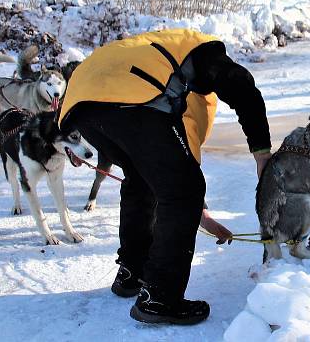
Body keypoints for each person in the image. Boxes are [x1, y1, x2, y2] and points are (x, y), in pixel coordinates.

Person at [57, 28, 272, 326]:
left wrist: (202, 214)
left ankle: (132, 272)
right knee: (183, 190)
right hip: (131, 100)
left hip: (80, 102)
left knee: (142, 180)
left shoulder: (161, 50)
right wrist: (262, 153)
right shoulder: (206, 56)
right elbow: (243, 88)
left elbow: (170, 164)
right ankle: (160, 297)